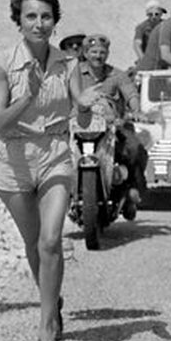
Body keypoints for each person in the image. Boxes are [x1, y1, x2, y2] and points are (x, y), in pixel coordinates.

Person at [0, 0, 76, 341]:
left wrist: (87, 103)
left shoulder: (68, 63)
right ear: (18, 22)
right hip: (15, 159)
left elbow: (80, 106)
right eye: (31, 17)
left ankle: (45, 327)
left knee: (51, 240)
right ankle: (51, 299)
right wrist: (29, 94)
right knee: (33, 241)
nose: (39, 24)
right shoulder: (0, 63)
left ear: (55, 22)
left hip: (55, 152)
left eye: (46, 17)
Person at [69, 34, 147, 218]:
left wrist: (136, 109)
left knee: (134, 148)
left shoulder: (117, 74)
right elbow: (59, 94)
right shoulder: (74, 74)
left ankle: (131, 191)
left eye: (102, 52)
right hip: (78, 126)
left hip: (112, 126)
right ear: (86, 53)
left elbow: (130, 93)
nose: (98, 56)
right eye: (94, 52)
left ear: (108, 54)